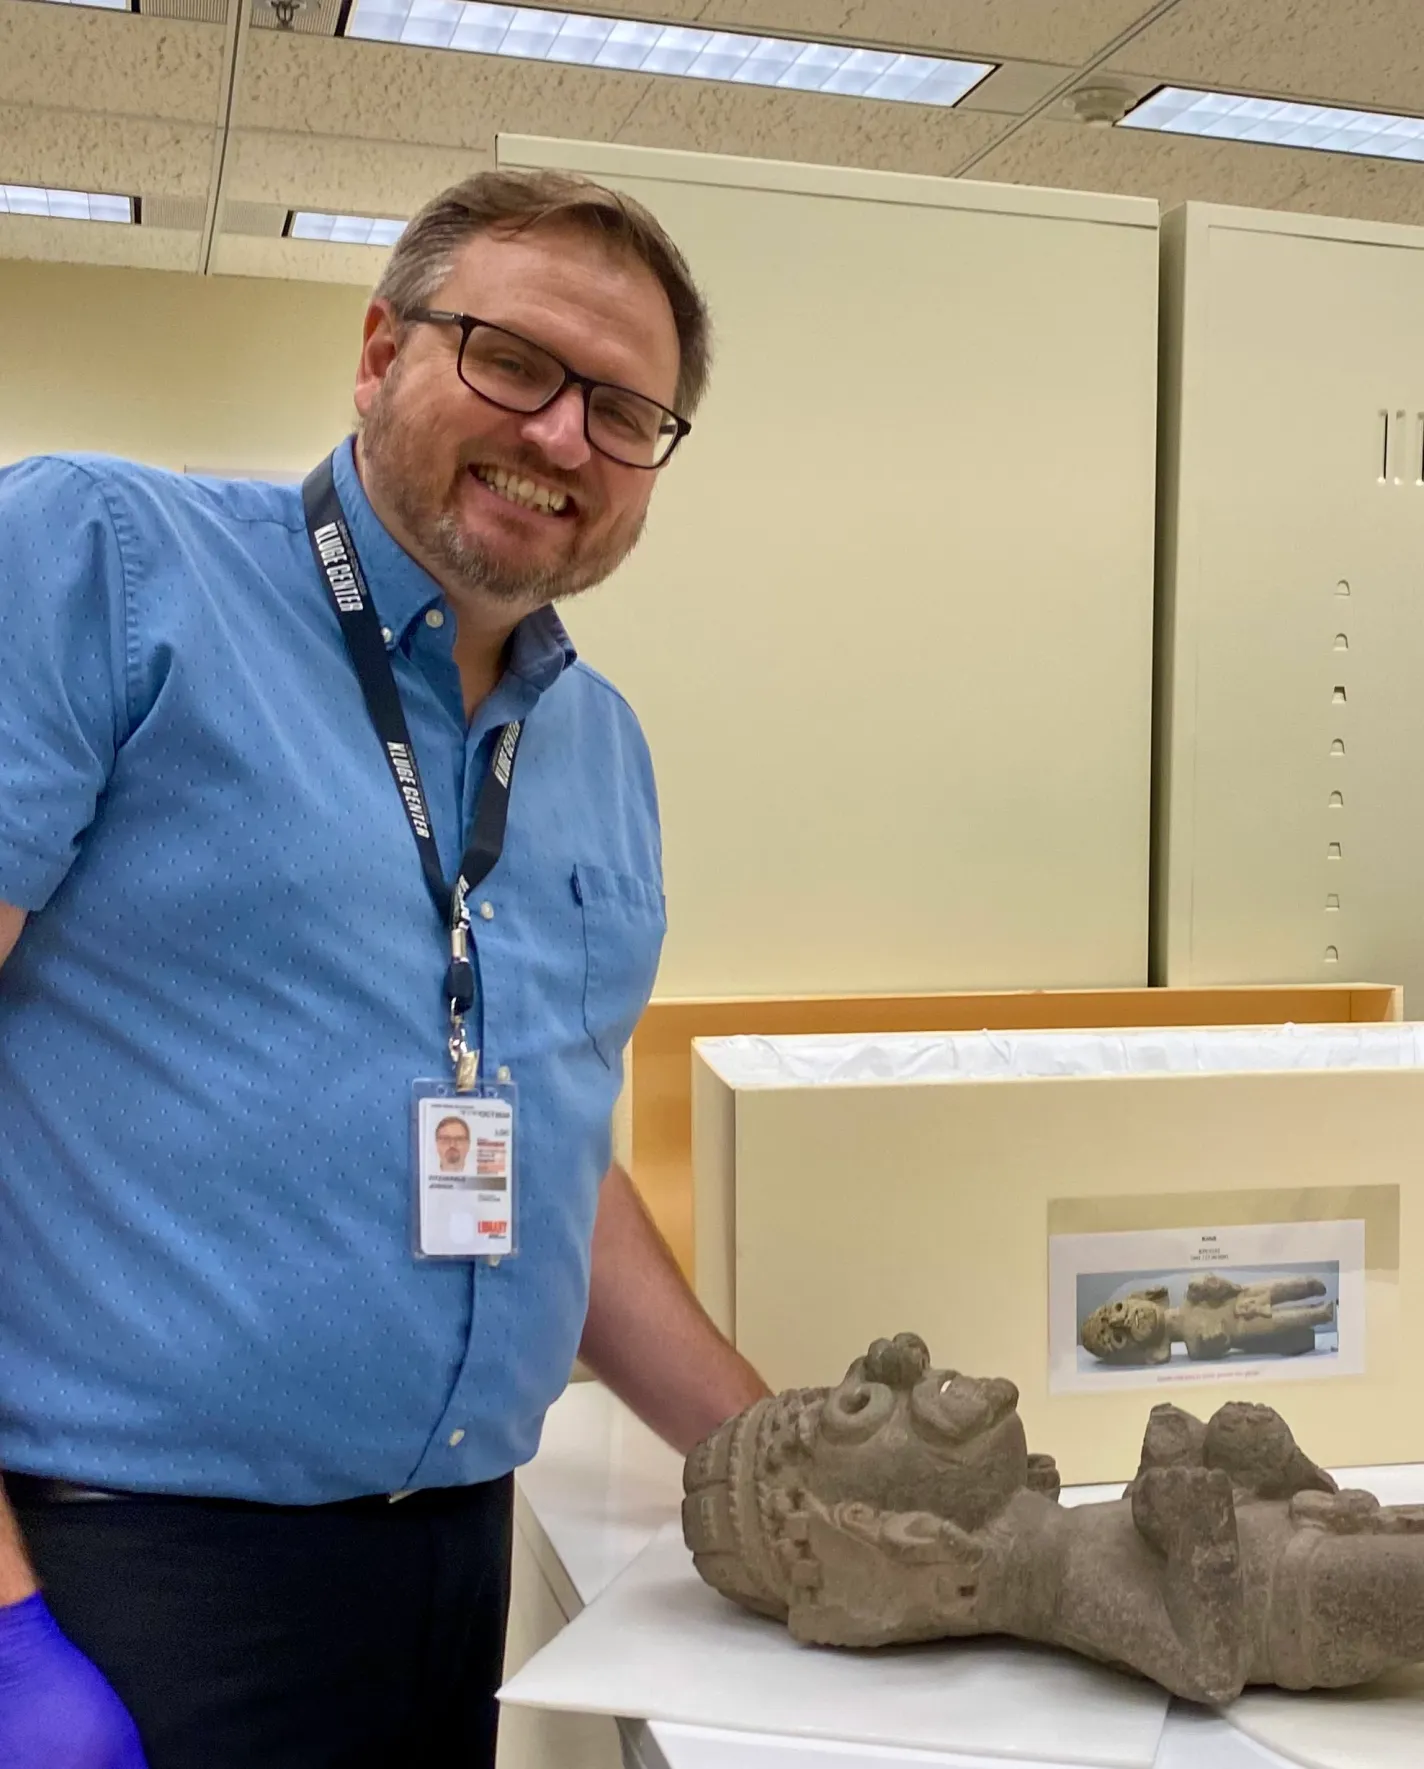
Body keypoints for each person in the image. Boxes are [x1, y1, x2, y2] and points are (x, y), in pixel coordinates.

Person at [0, 168, 768, 1769]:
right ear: (376, 353)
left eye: (627, 414)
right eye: (515, 361)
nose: (565, 437)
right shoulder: (104, 566)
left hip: (446, 1564)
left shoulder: (598, 748)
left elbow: (547, 1155)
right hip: (124, 1575)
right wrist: (2, 1628)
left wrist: (767, 1459)